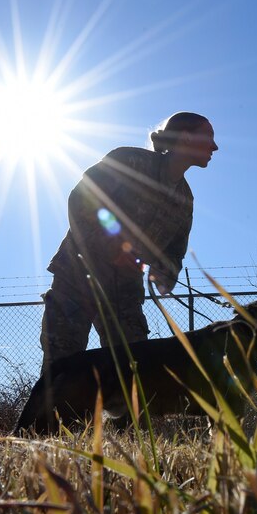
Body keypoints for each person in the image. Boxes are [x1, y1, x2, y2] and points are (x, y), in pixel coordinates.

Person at [40, 112, 218, 370]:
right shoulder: (129, 161)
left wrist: (165, 274)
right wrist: (116, 247)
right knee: (60, 370)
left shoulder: (184, 199)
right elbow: (82, 199)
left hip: (124, 292)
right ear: (187, 137)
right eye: (209, 137)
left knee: (134, 370)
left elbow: (174, 253)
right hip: (76, 278)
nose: (215, 146)